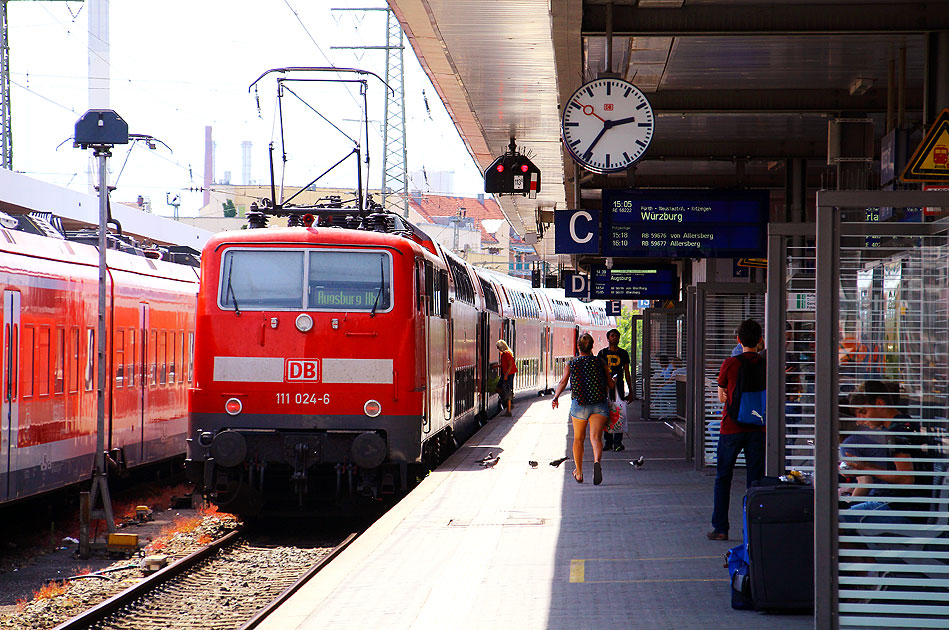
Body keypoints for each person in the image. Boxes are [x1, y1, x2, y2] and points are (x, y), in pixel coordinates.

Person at [707, 319, 766, 541]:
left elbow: (722, 395)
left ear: (738, 340)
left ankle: (721, 528)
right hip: (758, 428)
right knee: (755, 480)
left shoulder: (730, 363)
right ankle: (752, 529)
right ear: (760, 340)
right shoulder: (765, 364)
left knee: (723, 477)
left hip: (731, 428)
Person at [839, 381, 926, 525]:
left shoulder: (897, 431)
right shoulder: (901, 426)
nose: (860, 421)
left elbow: (906, 479)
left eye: (863, 412)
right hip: (895, 503)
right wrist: (864, 466)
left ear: (879, 403)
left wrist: (865, 469)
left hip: (897, 506)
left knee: (835, 525)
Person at [552, 333, 614, 485]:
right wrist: (615, 380)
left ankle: (579, 473)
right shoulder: (601, 362)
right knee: (596, 438)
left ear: (578, 347)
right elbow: (611, 385)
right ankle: (597, 461)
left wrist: (556, 397)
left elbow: (563, 382)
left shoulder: (571, 363)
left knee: (579, 438)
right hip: (599, 404)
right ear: (592, 346)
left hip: (580, 404)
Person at [597, 328, 633, 452]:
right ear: (608, 338)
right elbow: (598, 371)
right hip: (605, 388)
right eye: (612, 336)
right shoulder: (602, 354)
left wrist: (631, 390)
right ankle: (608, 441)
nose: (614, 338)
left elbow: (627, 372)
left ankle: (618, 442)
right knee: (606, 414)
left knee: (619, 413)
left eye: (616, 336)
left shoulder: (623, 354)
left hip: (619, 388)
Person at [496, 340, 517, 416]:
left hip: (508, 374)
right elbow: (505, 365)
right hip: (506, 374)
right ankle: (509, 403)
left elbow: (510, 365)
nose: (497, 349)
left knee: (506, 391)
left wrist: (506, 375)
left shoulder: (507, 354)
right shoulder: (504, 354)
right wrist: (498, 366)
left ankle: (509, 410)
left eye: (498, 347)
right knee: (502, 390)